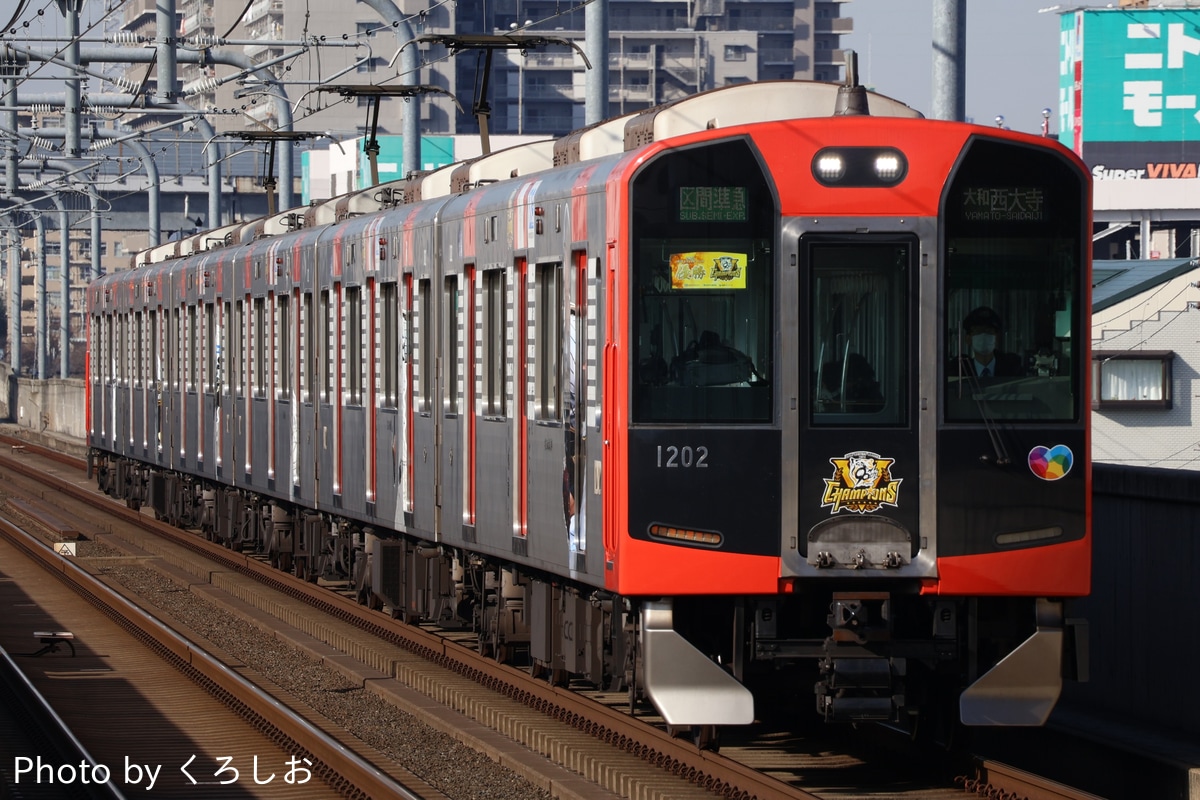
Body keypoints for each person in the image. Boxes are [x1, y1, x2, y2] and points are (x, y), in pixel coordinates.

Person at [955, 306, 1022, 378]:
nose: (983, 335)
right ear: (968, 339)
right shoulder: (959, 370)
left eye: (988, 331)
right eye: (978, 331)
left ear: (997, 337)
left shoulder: (1012, 369)